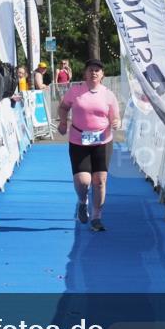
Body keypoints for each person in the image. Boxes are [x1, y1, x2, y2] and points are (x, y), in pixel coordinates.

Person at [57, 59, 120, 233]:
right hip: (79, 140)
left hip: (102, 141)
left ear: (102, 75)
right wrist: (63, 122)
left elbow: (116, 117)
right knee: (83, 181)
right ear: (85, 73)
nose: (94, 73)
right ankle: (82, 201)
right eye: (91, 70)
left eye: (97, 70)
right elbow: (63, 107)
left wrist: (116, 122)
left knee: (99, 181)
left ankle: (96, 217)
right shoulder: (75, 91)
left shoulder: (108, 94)